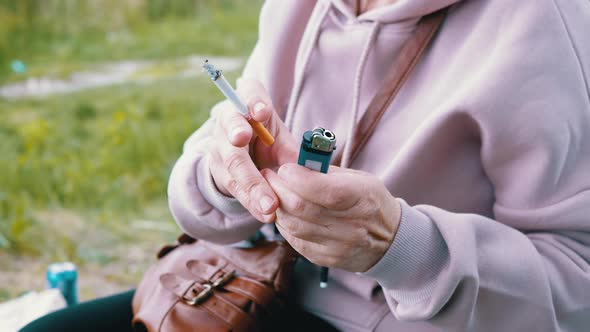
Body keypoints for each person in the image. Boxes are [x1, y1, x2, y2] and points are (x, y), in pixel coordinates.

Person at [22, 0, 590, 331]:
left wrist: (400, 246)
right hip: (258, 287)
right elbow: (214, 164)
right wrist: (224, 176)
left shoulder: (545, 26)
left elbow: (575, 286)